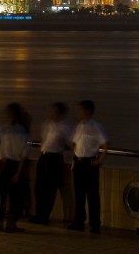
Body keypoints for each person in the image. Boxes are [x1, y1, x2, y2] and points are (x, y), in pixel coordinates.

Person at [68, 99, 109, 233]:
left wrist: (99, 160)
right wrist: (74, 160)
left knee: (92, 194)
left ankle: (95, 223)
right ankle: (79, 221)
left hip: (90, 163)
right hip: (79, 163)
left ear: (88, 111)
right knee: (79, 194)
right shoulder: (79, 126)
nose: (79, 112)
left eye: (81, 110)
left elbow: (106, 144)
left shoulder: (96, 126)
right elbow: (74, 143)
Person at [30, 102, 73, 225]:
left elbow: (71, 143)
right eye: (51, 111)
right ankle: (39, 214)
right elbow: (42, 139)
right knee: (39, 187)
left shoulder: (65, 126)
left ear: (60, 112)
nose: (51, 113)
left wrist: (63, 144)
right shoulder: (47, 124)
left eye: (54, 111)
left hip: (55, 157)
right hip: (44, 156)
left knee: (50, 189)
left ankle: (44, 216)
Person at [0, 103, 31, 233]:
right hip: (15, 166)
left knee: (1, 195)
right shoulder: (23, 133)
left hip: (3, 164)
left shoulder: (5, 129)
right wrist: (18, 174)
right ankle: (11, 225)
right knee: (15, 197)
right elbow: (23, 156)